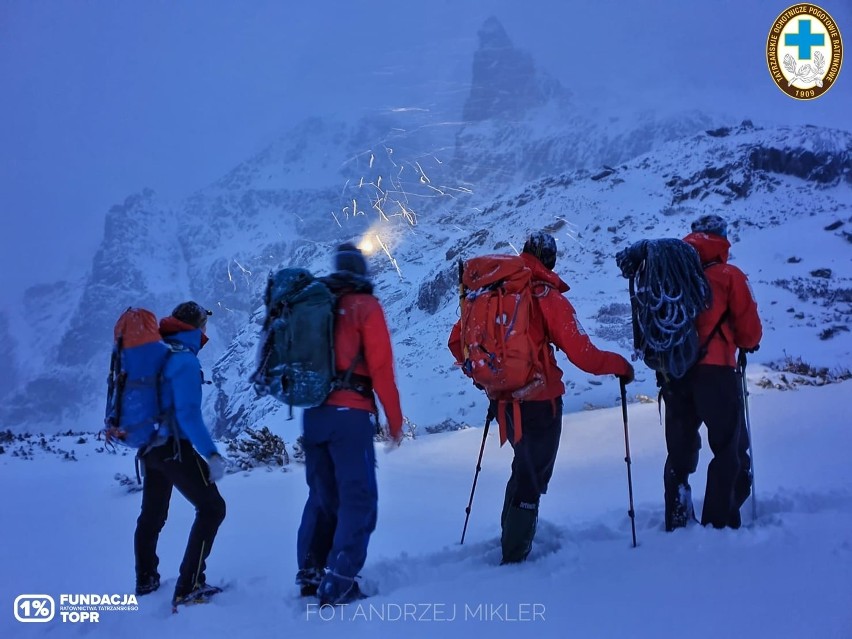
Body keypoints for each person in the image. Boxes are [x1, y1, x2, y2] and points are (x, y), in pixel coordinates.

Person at [448, 232, 634, 564]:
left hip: (504, 402)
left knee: (523, 469)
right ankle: (515, 559)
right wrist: (619, 365)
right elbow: (584, 354)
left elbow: (456, 341)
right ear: (551, 260)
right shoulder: (544, 296)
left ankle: (511, 538)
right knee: (532, 479)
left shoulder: (493, 293)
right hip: (540, 402)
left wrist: (489, 376)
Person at [295, 243, 404, 605]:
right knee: (359, 498)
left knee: (323, 496)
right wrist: (395, 419)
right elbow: (381, 369)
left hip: (313, 415)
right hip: (350, 416)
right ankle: (340, 581)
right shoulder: (365, 307)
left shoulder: (315, 306)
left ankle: (310, 571)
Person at [661, 214, 762, 531]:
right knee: (728, 448)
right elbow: (750, 333)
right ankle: (719, 523)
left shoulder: (673, 276)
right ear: (722, 238)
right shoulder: (729, 275)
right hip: (716, 373)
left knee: (680, 451)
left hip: (675, 374)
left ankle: (677, 519)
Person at [134, 301, 227, 606]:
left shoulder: (159, 353)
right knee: (212, 508)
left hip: (150, 451)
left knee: (152, 516)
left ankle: (147, 581)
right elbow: (188, 414)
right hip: (175, 449)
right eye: (204, 325)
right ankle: (190, 585)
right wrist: (212, 454)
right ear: (197, 327)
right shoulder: (185, 361)